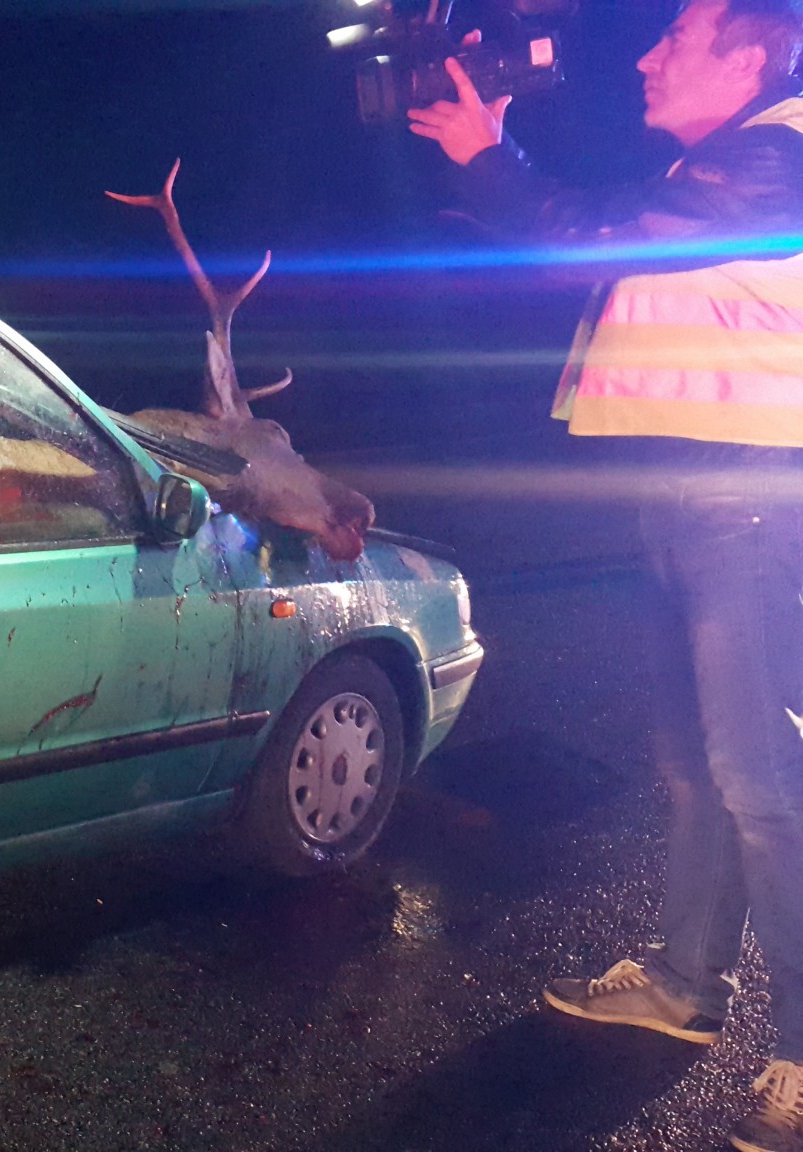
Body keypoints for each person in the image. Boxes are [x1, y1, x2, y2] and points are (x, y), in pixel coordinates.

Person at [410, 3, 803, 1149]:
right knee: (693, 769)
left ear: (747, 54)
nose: (643, 54)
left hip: (749, 497)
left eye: (675, 37)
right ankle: (684, 984)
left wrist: (488, 153)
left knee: (761, 782)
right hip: (681, 490)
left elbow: (582, 233)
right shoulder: (717, 164)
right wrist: (491, 153)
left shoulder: (774, 156)